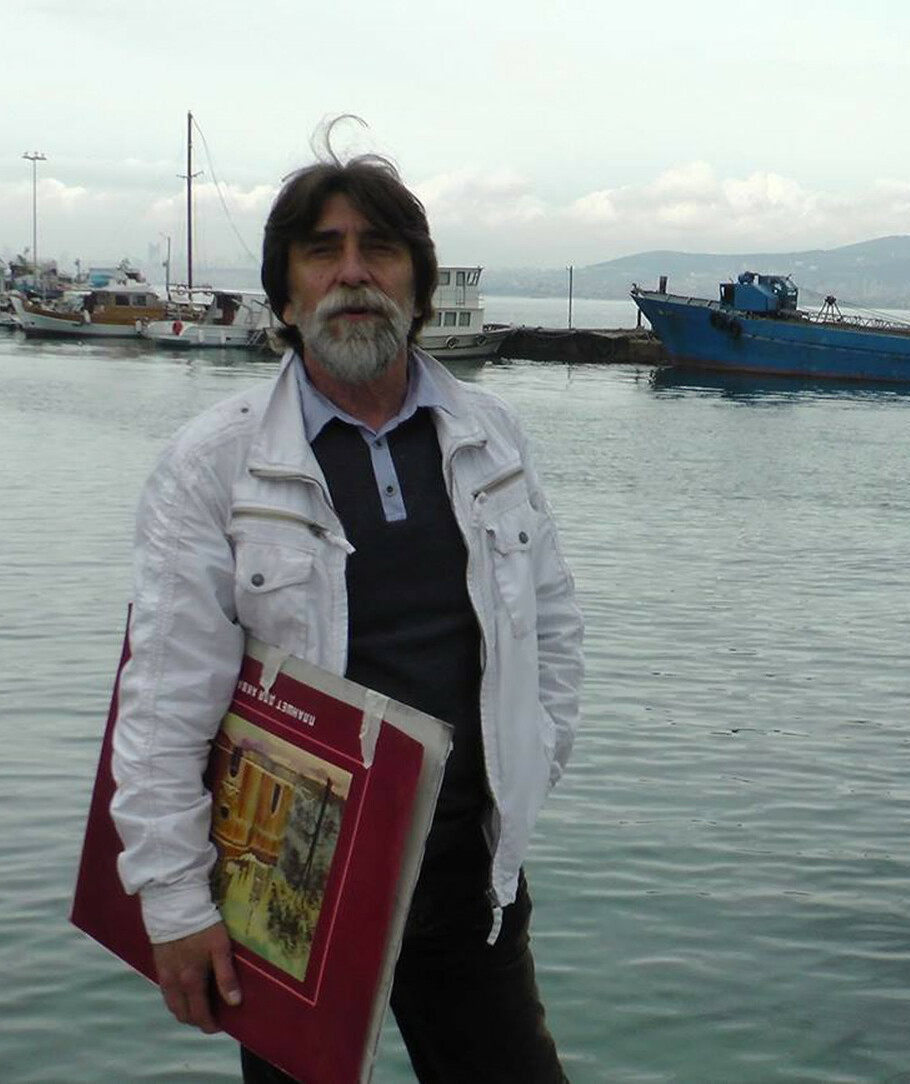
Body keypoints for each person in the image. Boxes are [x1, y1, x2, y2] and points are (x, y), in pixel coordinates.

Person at [109, 150, 584, 1083]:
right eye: (322, 251)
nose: (353, 273)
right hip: (290, 887)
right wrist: (174, 902)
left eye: (381, 250)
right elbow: (164, 700)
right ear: (286, 296)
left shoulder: (491, 437)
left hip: (466, 876)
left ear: (419, 285)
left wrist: (531, 764)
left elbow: (554, 625)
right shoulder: (214, 465)